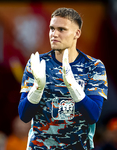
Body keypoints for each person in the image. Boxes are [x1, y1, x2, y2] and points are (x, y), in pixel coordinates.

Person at [18, 7, 108, 150]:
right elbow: (24, 115)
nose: (54, 34)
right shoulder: (37, 63)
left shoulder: (94, 66)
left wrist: (73, 86)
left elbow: (93, 116)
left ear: (77, 33)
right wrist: (37, 88)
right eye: (52, 29)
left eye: (61, 29)